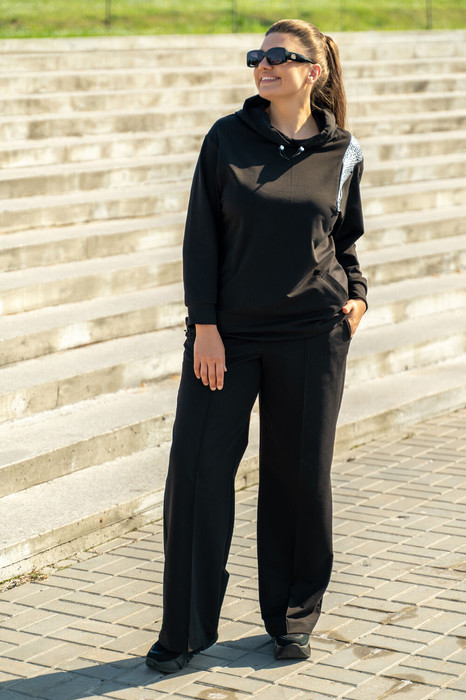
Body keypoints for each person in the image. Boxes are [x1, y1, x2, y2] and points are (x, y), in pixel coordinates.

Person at [145, 18, 367, 674]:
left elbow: (344, 236)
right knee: (197, 474)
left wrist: (357, 293)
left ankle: (293, 619)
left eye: (278, 56)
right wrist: (205, 326)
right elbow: (201, 237)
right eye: (257, 56)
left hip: (314, 334)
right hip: (228, 337)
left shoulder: (343, 149)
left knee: (300, 480)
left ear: (312, 71)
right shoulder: (226, 139)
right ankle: (184, 629)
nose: (263, 65)